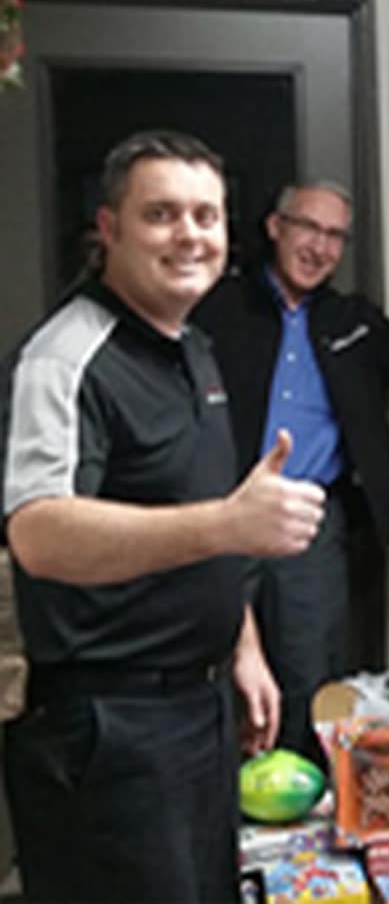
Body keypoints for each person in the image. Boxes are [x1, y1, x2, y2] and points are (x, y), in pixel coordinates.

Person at [0, 130, 327, 903]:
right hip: (106, 729)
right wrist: (227, 526)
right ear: (108, 228)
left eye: (207, 216)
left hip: (199, 709)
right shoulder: (65, 357)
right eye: (162, 214)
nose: (191, 235)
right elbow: (38, 531)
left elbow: (203, 509)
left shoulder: (194, 349)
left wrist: (242, 644)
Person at [193, 180, 389, 767]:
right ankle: (224, 803)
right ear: (275, 228)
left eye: (335, 236)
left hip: (308, 520)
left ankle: (300, 805)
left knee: (308, 667)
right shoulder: (221, 306)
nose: (320, 246)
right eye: (308, 227)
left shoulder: (349, 319)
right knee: (212, 659)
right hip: (218, 513)